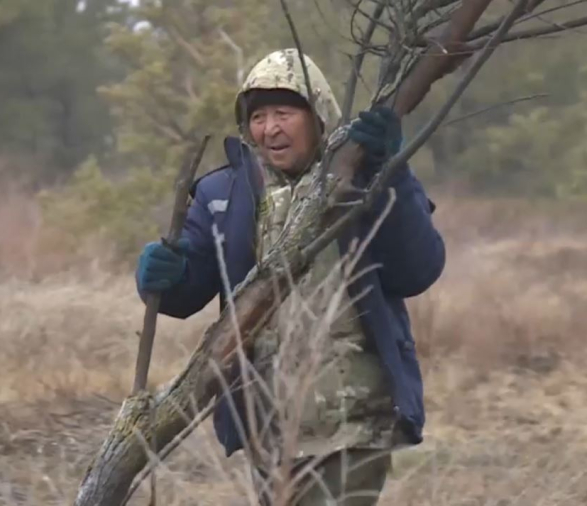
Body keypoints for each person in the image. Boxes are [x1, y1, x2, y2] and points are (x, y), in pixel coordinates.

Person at [134, 49, 446, 505]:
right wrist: (159, 275)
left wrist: (389, 172)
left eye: (284, 112)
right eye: (258, 116)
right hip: (268, 430)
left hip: (351, 423)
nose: (270, 128)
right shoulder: (225, 192)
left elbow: (419, 268)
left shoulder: (362, 175)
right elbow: (186, 291)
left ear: (318, 114)